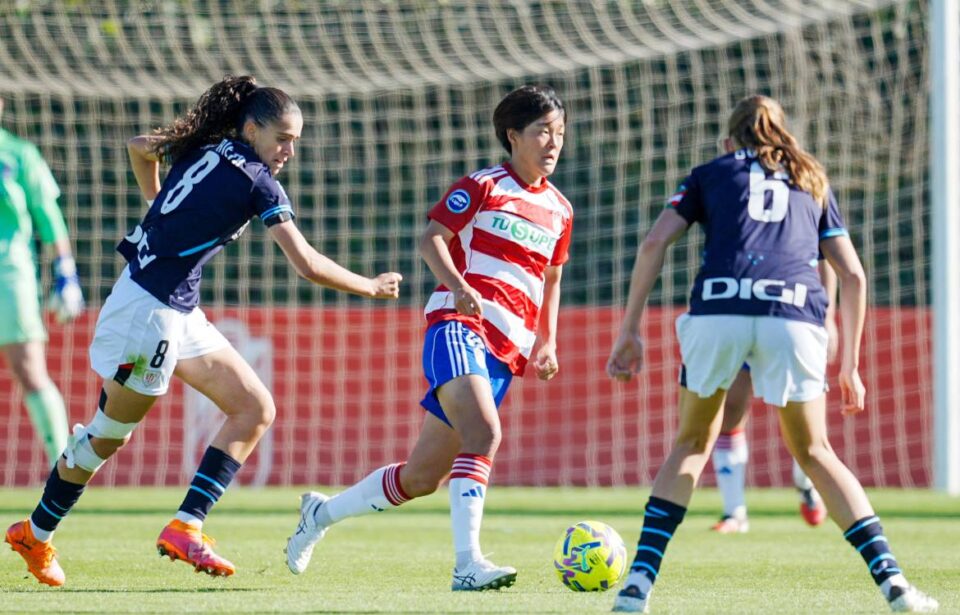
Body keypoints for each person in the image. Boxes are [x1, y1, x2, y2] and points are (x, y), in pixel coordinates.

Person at [4, 75, 402, 587]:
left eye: (296, 141)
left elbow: (141, 148)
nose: (288, 150)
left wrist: (157, 210)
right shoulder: (258, 181)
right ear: (251, 128)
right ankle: (35, 534)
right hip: (151, 311)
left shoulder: (209, 146)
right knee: (106, 436)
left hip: (171, 304)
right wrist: (370, 286)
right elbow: (304, 264)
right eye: (281, 137)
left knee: (254, 407)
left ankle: (186, 525)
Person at [605, 95, 938, 613]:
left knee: (692, 442)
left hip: (719, 310)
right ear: (784, 136)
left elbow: (654, 244)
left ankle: (637, 585)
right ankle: (893, 583)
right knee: (816, 453)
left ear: (729, 141)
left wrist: (629, 330)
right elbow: (852, 274)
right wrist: (849, 362)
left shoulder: (710, 173)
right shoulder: (811, 178)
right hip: (795, 314)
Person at [284, 84, 573, 591]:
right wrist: (459, 287)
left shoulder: (560, 209)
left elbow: (551, 277)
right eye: (542, 132)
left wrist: (546, 341)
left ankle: (320, 514)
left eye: (560, 134)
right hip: (458, 326)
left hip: (508, 349)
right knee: (484, 434)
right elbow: (431, 238)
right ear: (513, 136)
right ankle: (468, 565)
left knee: (421, 479)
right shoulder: (484, 186)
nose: (553, 143)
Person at [710, 262, 836, 534]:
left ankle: (806, 484)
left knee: (800, 417)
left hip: (792, 317)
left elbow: (833, 259)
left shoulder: (811, 217)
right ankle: (734, 512)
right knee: (730, 408)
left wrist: (828, 317)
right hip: (740, 312)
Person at [0, 97, 84, 467]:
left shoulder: (19, 154)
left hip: (9, 271)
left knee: (29, 367)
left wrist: (66, 273)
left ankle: (60, 466)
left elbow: (47, 215)